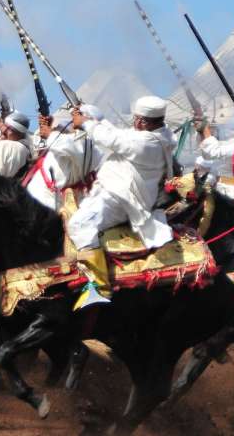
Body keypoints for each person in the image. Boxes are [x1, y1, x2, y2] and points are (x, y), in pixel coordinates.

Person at [67, 95, 175, 309]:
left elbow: (113, 139)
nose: (133, 123)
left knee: (79, 224)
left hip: (122, 200)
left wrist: (85, 122)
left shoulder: (147, 143)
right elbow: (114, 132)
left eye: (136, 119)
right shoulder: (153, 135)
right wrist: (88, 112)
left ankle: (99, 288)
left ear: (142, 122)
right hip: (113, 194)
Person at [24, 106, 104, 210]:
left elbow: (66, 143)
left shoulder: (86, 143)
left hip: (47, 197)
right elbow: (63, 141)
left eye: (80, 114)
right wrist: (48, 126)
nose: (74, 115)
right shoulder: (82, 141)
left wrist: (49, 133)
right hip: (47, 194)